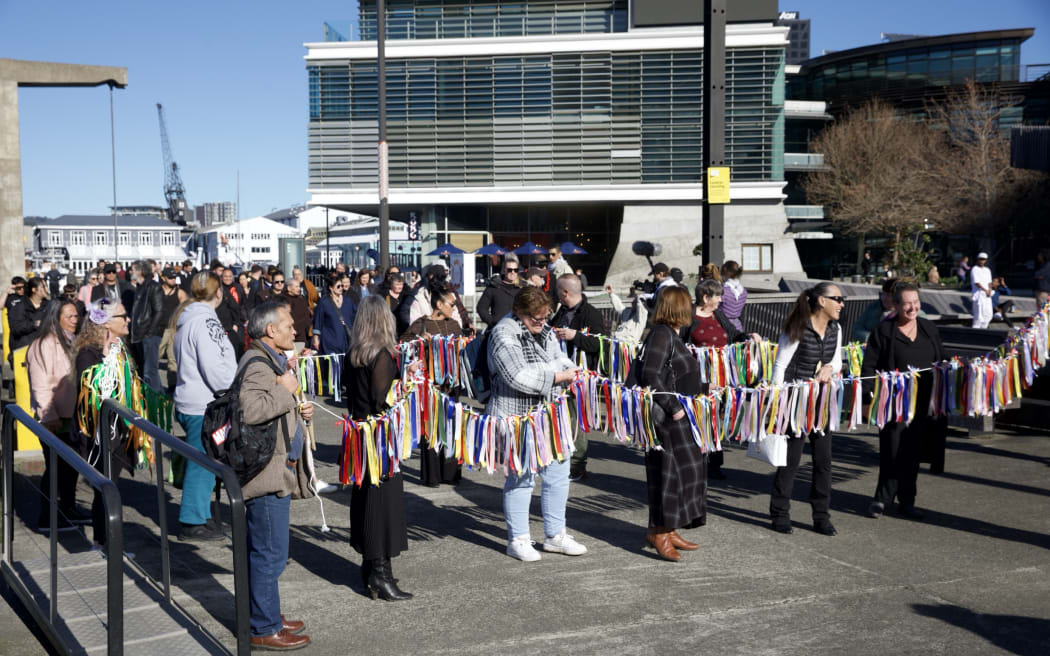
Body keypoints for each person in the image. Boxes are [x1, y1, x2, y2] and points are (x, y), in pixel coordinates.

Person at [487, 286, 586, 562]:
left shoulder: (542, 329)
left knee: (558, 473)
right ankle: (517, 539)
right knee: (521, 477)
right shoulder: (503, 333)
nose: (541, 323)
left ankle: (555, 535)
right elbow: (516, 376)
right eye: (536, 318)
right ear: (519, 311)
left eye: (545, 317)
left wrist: (572, 370)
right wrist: (557, 376)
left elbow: (558, 357)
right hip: (516, 417)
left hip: (549, 414)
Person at [238, 302, 313, 649]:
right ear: (270, 330)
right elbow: (252, 410)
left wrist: (300, 407)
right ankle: (264, 627)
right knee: (270, 554)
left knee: (271, 552)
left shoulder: (269, 360)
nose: (294, 330)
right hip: (265, 475)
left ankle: (268, 614)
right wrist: (286, 389)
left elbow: (275, 406)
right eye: (288, 325)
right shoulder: (258, 364)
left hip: (275, 469)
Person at [342, 295, 413, 601]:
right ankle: (380, 574)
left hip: (359, 435)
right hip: (378, 439)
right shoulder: (382, 355)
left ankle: (370, 567)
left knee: (366, 502)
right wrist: (408, 387)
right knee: (382, 506)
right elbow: (381, 400)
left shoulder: (354, 353)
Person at [861, 282, 946, 520]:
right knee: (892, 449)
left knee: (914, 452)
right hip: (894, 403)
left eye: (915, 302)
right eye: (907, 303)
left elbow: (941, 358)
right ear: (896, 305)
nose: (912, 307)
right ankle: (882, 498)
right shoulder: (884, 330)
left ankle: (907, 501)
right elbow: (869, 366)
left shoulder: (929, 328)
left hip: (924, 403)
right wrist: (867, 399)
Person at [769, 282, 844, 536]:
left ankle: (821, 516)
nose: (841, 304)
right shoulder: (798, 328)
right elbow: (779, 366)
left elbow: (836, 359)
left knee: (824, 461)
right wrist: (776, 403)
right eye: (837, 299)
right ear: (822, 301)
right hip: (796, 401)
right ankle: (779, 513)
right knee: (791, 460)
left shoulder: (836, 328)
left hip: (822, 401)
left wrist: (830, 368)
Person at [638, 286, 706, 561]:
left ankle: (668, 528)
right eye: (687, 303)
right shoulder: (661, 335)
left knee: (682, 476)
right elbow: (650, 374)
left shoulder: (672, 335)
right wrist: (674, 407)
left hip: (683, 417)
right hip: (669, 420)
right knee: (667, 476)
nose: (691, 307)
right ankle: (659, 533)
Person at [172, 272, 238, 542]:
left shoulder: (188, 318)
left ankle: (201, 514)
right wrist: (229, 391)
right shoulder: (205, 321)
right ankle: (192, 519)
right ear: (219, 293)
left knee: (208, 462)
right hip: (204, 402)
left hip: (194, 398)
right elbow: (214, 365)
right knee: (203, 462)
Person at [684, 279, 761, 481]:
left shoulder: (718, 314)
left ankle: (715, 464)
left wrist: (748, 336)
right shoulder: (689, 316)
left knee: (717, 419)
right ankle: (696, 461)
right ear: (705, 297)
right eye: (717, 296)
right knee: (701, 418)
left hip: (723, 375)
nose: (721, 300)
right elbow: (680, 344)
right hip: (699, 377)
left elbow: (734, 334)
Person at [72, 298, 132, 546]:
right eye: (122, 316)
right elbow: (96, 392)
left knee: (112, 487)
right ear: (106, 322)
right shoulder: (88, 354)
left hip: (118, 430)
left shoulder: (121, 348)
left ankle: (108, 544)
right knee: (105, 490)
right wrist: (107, 358)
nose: (127, 320)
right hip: (98, 433)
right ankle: (104, 544)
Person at [28, 299, 84, 531]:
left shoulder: (71, 340)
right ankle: (48, 517)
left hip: (71, 415)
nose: (75, 320)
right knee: (55, 469)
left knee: (71, 467)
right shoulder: (43, 345)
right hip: (54, 417)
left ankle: (68, 508)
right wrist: (48, 414)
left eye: (76, 316)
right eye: (70, 316)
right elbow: (40, 385)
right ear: (56, 318)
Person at [401, 286, 464, 487]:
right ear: (439, 304)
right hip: (430, 386)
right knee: (432, 428)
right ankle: (433, 475)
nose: (454, 308)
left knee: (452, 426)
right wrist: (420, 341)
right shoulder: (422, 324)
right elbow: (403, 343)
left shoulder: (454, 325)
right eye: (451, 304)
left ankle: (451, 473)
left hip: (451, 385)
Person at [551, 274, 605, 482]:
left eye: (557, 290)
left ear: (566, 292)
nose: (555, 294)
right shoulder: (562, 311)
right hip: (559, 374)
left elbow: (601, 344)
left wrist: (576, 337)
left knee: (576, 420)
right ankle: (562, 459)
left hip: (580, 376)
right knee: (561, 417)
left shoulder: (590, 313)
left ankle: (577, 465)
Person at [129, 260, 165, 391]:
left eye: (132, 269)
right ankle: (153, 396)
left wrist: (149, 333)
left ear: (139, 271)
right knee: (144, 370)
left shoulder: (154, 287)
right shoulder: (139, 287)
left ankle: (155, 401)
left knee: (150, 371)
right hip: (139, 334)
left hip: (149, 334)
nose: (130, 272)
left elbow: (159, 311)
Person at [312, 273, 357, 358]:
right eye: (338, 286)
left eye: (342, 286)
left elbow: (356, 316)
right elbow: (317, 320)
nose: (341, 288)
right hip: (330, 341)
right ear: (331, 288)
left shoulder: (348, 301)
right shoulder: (324, 302)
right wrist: (316, 338)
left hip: (346, 340)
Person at [9, 277, 51, 358]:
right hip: (24, 353)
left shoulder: (50, 306)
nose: (46, 289)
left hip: (46, 353)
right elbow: (16, 328)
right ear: (34, 290)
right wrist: (35, 324)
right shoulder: (19, 307)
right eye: (43, 287)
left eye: (46, 286)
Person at [851, 278, 897, 343]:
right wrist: (872, 338)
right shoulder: (874, 306)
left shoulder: (904, 314)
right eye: (882, 294)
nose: (884, 298)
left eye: (888, 295)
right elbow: (856, 328)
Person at [476, 260, 520, 328]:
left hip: (517, 328)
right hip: (498, 328)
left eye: (515, 270)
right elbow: (481, 308)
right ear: (503, 271)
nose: (513, 272)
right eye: (509, 270)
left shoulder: (521, 289)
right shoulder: (493, 287)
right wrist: (492, 322)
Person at [283, 278, 313, 352]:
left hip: (303, 336)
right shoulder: (284, 300)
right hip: (291, 337)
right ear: (289, 288)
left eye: (299, 286)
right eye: (296, 287)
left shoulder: (301, 298)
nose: (299, 289)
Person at [719, 260, 747, 332]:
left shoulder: (723, 291)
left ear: (725, 273)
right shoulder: (743, 291)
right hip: (737, 326)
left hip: (723, 326)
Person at [970, 252, 993, 329]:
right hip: (979, 295)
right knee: (979, 316)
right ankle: (975, 332)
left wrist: (989, 290)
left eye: (984, 259)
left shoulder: (987, 270)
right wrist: (985, 290)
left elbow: (989, 282)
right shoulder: (974, 269)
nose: (982, 261)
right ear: (978, 260)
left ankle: (984, 330)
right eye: (981, 259)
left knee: (988, 315)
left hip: (987, 295)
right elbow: (977, 282)